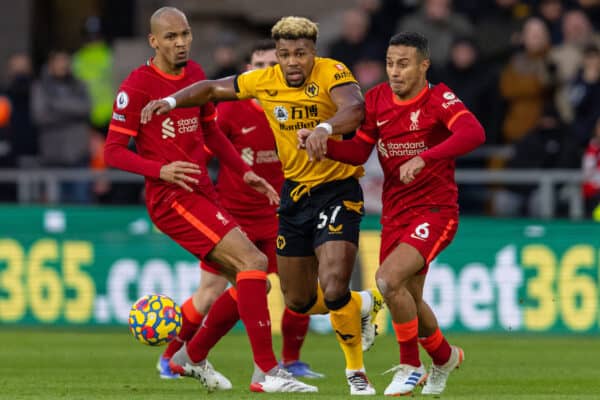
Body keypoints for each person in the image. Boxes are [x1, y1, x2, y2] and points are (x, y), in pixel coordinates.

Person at [141, 16, 384, 395]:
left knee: (328, 284)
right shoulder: (255, 92)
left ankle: (286, 367)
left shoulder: (333, 72)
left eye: (297, 54)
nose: (288, 64)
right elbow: (209, 91)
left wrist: (324, 129)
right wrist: (170, 101)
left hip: (334, 190)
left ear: (313, 53)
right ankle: (190, 356)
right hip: (272, 203)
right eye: (282, 55)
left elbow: (354, 108)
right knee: (295, 299)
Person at [103, 7, 317, 394]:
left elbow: (211, 133)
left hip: (203, 190)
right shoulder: (137, 87)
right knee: (254, 262)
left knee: (253, 284)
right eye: (171, 37)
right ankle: (266, 370)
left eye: (184, 34)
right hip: (172, 197)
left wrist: (243, 171)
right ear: (153, 41)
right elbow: (113, 152)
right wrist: (159, 170)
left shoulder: (197, 76)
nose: (181, 42)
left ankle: (188, 356)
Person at [300, 32, 485, 396]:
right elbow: (358, 153)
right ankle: (445, 357)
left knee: (387, 280)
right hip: (395, 213)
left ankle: (410, 365)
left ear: (423, 65)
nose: (395, 71)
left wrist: (426, 156)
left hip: (435, 210)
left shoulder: (439, 98)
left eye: (403, 64)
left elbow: (474, 133)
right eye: (390, 63)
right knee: (409, 297)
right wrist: (324, 145)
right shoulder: (377, 99)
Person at [157, 39, 324, 381]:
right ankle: (172, 355)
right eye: (258, 65)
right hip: (233, 218)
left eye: (271, 65)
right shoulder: (231, 111)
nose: (265, 71)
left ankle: (290, 361)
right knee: (210, 293)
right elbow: (201, 155)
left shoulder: (294, 109)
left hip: (279, 216)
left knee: (301, 289)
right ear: (248, 71)